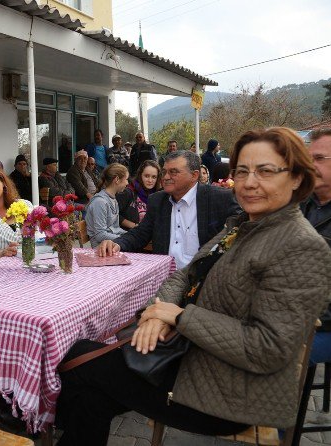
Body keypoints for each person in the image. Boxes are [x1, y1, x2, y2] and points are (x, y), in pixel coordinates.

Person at [57, 127, 331, 445]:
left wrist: (178, 317)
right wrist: (158, 312)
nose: (250, 182)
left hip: (228, 394)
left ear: (297, 178)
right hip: (190, 358)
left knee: (78, 366)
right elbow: (184, 275)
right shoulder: (242, 225)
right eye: (241, 171)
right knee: (88, 379)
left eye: (266, 171)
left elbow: (266, 348)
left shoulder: (300, 245)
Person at [97, 151, 240, 269]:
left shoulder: (220, 198)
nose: (165, 177)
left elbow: (244, 229)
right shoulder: (158, 200)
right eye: (164, 172)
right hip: (164, 277)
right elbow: (141, 233)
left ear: (194, 175)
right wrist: (117, 243)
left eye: (173, 172)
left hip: (202, 281)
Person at [302, 128, 331, 363]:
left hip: (324, 326)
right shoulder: (303, 203)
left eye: (319, 159)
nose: (311, 166)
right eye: (309, 159)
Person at [85, 164, 129, 248]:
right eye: (126, 179)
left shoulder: (112, 199)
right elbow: (100, 235)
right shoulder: (100, 202)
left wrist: (130, 234)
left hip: (113, 245)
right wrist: (124, 238)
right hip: (101, 249)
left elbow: (115, 228)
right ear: (117, 179)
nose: (127, 183)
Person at [120, 160, 162, 226]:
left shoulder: (159, 195)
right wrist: (134, 226)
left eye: (154, 177)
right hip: (130, 233)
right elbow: (114, 215)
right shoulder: (128, 192)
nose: (150, 180)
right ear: (140, 175)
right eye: (147, 176)